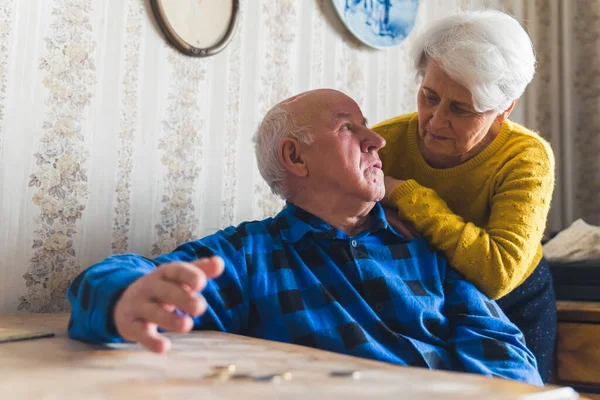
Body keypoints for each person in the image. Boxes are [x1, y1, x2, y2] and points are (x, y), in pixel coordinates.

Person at [67, 89, 542, 385]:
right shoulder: (251, 255)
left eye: (368, 128)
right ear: (295, 157)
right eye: (349, 129)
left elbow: (499, 343)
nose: (376, 141)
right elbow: (129, 277)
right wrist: (122, 296)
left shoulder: (420, 246)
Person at [371, 10, 556, 382]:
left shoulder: (525, 157)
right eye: (430, 96)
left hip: (513, 305)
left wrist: (407, 196)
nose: (436, 121)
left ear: (503, 109)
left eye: (460, 109)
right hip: (419, 301)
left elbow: (497, 272)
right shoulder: (383, 143)